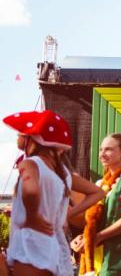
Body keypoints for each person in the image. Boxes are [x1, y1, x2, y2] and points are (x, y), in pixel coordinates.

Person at [2, 110, 105, 276]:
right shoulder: (63, 173)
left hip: (31, 247)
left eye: (21, 133)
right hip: (55, 248)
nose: (17, 137)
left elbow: (31, 192)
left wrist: (32, 216)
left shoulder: (30, 164)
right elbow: (98, 192)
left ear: (34, 138)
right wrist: (68, 213)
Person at [72, 133, 121, 276]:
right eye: (101, 149)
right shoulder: (101, 184)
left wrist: (97, 237)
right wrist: (84, 238)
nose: (102, 154)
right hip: (99, 260)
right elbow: (96, 222)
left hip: (117, 261)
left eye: (108, 149)